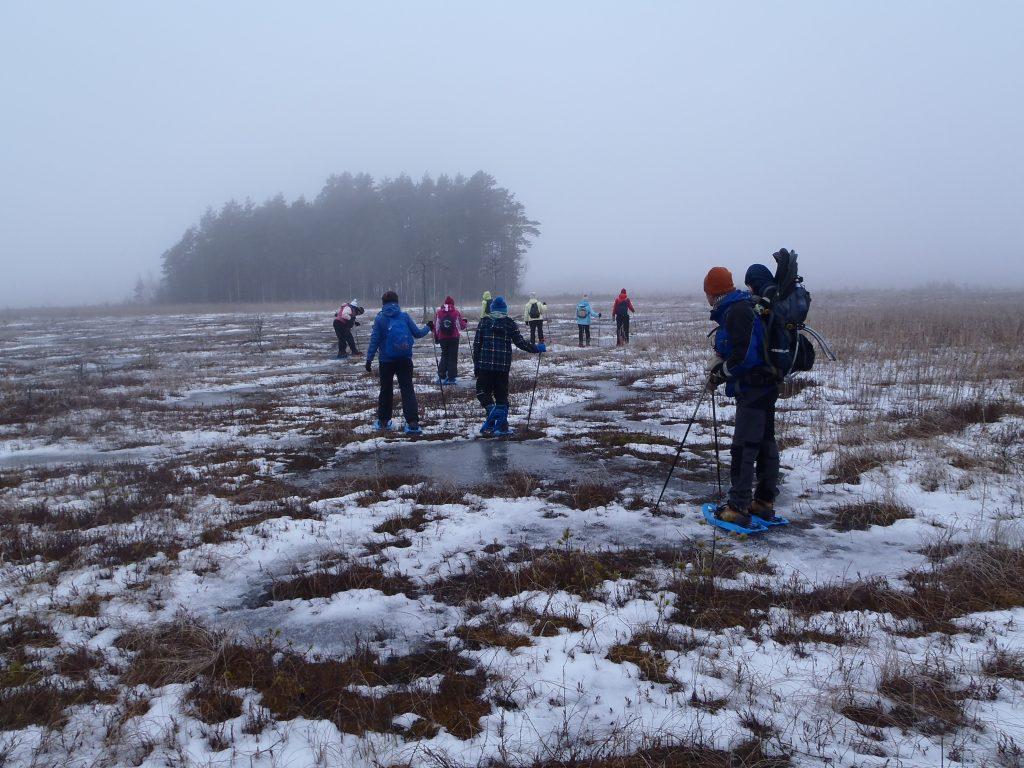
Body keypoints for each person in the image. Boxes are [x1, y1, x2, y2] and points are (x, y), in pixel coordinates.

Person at [703, 266, 780, 527]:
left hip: (754, 387)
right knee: (765, 442)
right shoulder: (742, 307)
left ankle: (738, 506)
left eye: (707, 292)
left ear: (713, 292)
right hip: (767, 384)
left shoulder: (736, 311)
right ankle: (763, 502)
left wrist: (721, 373)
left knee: (745, 446)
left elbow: (746, 356)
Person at [473, 295, 545, 436]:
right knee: (501, 396)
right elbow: (521, 343)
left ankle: (491, 409)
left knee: (482, 391)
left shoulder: (484, 322)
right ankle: (502, 427)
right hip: (503, 367)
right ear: (505, 310)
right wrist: (537, 348)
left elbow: (477, 346)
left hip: (485, 366)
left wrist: (476, 365)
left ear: (491, 309)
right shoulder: (510, 323)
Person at [365, 291, 433, 434]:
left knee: (386, 390)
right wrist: (429, 327)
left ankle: (384, 421)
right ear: (397, 302)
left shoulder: (380, 319)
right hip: (405, 359)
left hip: (386, 361)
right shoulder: (404, 316)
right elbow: (418, 334)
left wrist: (369, 359)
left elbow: (374, 340)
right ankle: (413, 423)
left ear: (383, 303)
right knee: (407, 389)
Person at [433, 295, 468, 384]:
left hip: (442, 338)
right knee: (453, 357)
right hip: (454, 338)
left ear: (445, 303)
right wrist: (465, 322)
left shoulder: (439, 312)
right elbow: (461, 326)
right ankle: (451, 378)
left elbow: (436, 326)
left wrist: (436, 336)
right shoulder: (456, 312)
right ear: (453, 303)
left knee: (444, 355)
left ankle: (442, 376)